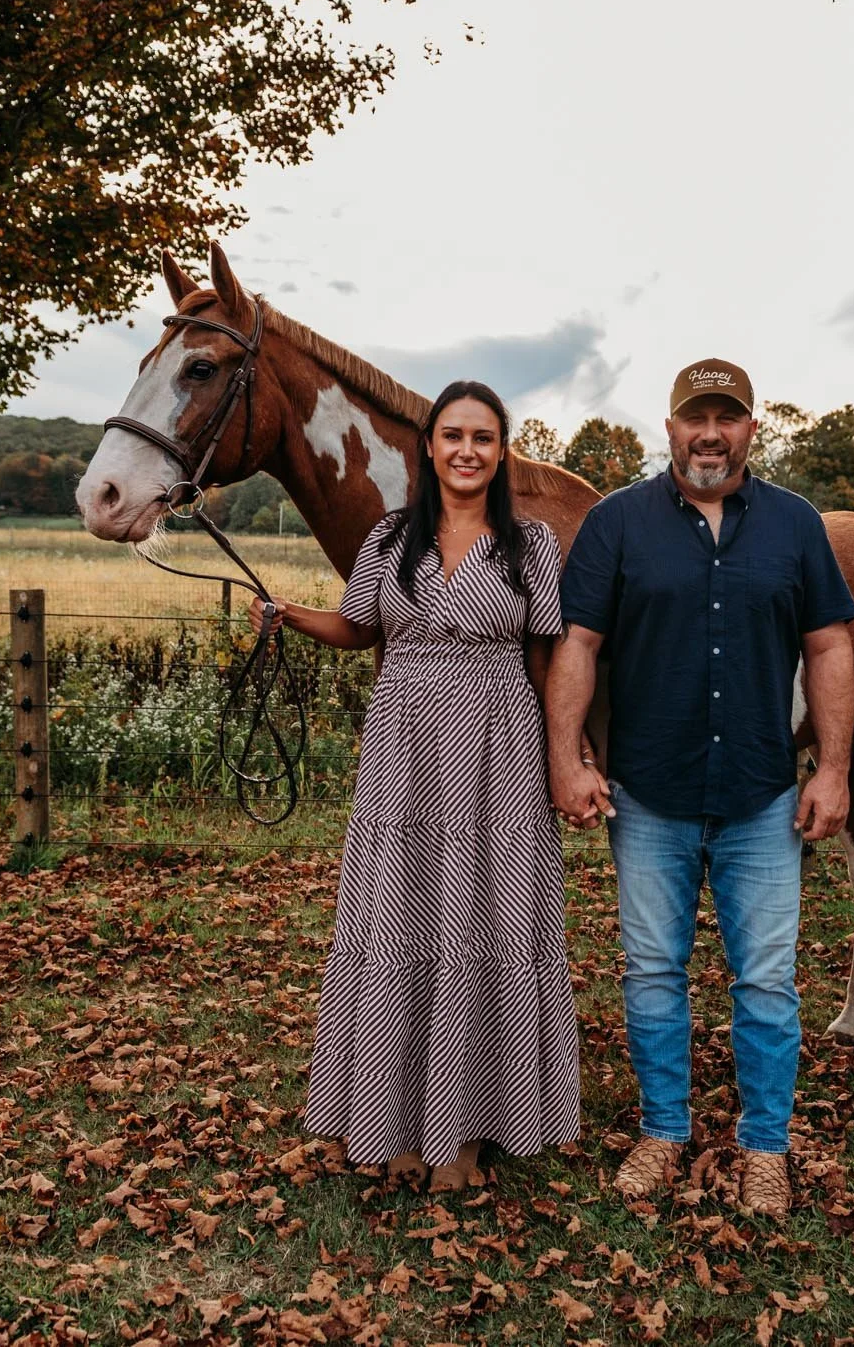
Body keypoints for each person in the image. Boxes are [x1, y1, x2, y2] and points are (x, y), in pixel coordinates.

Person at [544, 358, 854, 1219]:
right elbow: (578, 644)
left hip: (762, 794)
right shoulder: (617, 524)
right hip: (649, 791)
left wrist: (832, 768)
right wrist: (566, 756)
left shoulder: (795, 525)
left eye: (728, 416)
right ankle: (663, 1130)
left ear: (752, 427)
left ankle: (765, 1146)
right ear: (671, 425)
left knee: (766, 979)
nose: (710, 433)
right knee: (652, 971)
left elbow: (831, 645)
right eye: (695, 417)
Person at [250, 379, 580, 1190]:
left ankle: (468, 1130)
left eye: (484, 438)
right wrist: (290, 614)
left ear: (501, 453)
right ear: (428, 446)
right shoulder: (389, 537)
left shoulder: (529, 544)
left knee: (483, 917)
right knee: (403, 916)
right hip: (403, 749)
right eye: (453, 435)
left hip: (499, 744)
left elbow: (546, 657)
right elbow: (359, 628)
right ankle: (393, 1115)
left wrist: (560, 758)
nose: (467, 450)